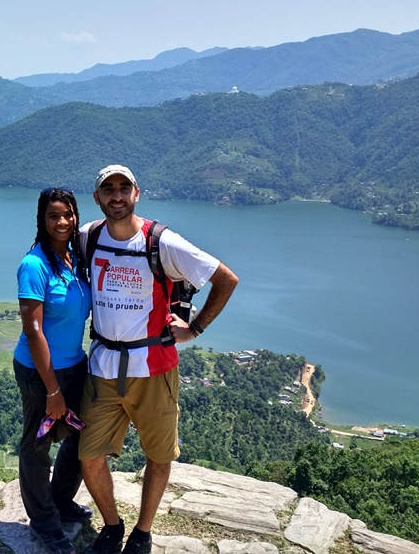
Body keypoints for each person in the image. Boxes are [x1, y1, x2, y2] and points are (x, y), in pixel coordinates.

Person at [78, 166, 238, 554]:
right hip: (102, 368)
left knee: (159, 454)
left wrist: (195, 329)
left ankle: (143, 532)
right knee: (89, 456)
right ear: (97, 198)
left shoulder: (160, 242)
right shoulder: (89, 237)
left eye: (124, 188)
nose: (116, 196)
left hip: (154, 367)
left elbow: (225, 279)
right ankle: (113, 526)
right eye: (108, 190)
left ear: (137, 194)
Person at [14, 187, 94, 554]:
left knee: (81, 436)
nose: (62, 222)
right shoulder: (35, 265)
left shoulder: (74, 259)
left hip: (75, 365)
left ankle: (61, 500)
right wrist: (52, 391)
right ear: (41, 220)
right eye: (53, 215)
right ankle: (45, 523)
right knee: (37, 445)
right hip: (39, 373)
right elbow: (33, 331)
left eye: (68, 214)